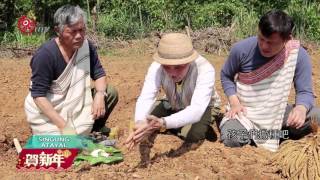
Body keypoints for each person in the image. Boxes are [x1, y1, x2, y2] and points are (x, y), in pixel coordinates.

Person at [220, 9, 320, 151]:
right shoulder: (241, 49)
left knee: (317, 117)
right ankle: (279, 135)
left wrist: (301, 108)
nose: (264, 46)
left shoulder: (298, 55)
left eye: (271, 42)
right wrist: (234, 102)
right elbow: (226, 76)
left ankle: (272, 135)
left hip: (276, 111)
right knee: (232, 136)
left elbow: (305, 91)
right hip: (246, 112)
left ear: (287, 39)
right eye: (261, 39)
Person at [125, 33, 221, 165]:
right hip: (173, 102)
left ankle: (183, 125)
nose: (172, 73)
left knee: (192, 135)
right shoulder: (156, 67)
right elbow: (147, 96)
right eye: (167, 67)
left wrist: (163, 123)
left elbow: (197, 109)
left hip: (205, 106)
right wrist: (140, 122)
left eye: (178, 67)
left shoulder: (205, 69)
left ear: (189, 60)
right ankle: (173, 127)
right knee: (147, 119)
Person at [24, 5, 118, 135]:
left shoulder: (86, 47)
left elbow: (99, 74)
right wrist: (64, 127)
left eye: (82, 30)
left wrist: (100, 95)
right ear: (58, 31)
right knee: (60, 145)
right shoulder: (45, 56)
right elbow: (39, 96)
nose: (79, 36)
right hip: (49, 110)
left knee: (110, 92)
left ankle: (95, 128)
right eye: (72, 31)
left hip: (75, 106)